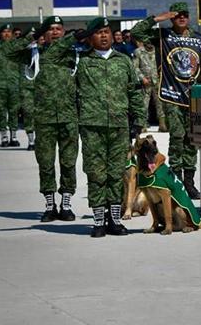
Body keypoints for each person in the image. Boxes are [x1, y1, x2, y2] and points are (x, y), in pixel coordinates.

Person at [131, 2, 201, 199]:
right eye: (177, 15)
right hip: (172, 95)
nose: (181, 18)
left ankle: (189, 182)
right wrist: (157, 19)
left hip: (194, 96)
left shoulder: (200, 39)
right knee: (177, 136)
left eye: (184, 15)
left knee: (191, 139)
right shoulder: (163, 36)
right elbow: (136, 32)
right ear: (172, 17)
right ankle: (175, 179)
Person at [3, 16, 81, 222]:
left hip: (69, 117)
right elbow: (6, 52)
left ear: (64, 31)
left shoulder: (74, 52)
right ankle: (49, 204)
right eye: (50, 29)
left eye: (58, 28)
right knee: (46, 163)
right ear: (44, 32)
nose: (55, 32)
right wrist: (32, 36)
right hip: (44, 118)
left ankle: (66, 203)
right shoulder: (34, 53)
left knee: (68, 162)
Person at [76, 17, 145, 237]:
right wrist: (73, 36)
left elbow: (134, 91)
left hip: (119, 125)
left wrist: (138, 121)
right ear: (90, 37)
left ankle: (114, 220)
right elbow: (54, 55)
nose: (104, 36)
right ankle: (98, 221)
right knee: (96, 174)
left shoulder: (123, 60)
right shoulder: (81, 62)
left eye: (107, 31)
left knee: (116, 173)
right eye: (98, 32)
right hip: (91, 125)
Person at [0, 24, 31, 147]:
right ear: (0, 34)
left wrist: (21, 84)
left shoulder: (17, 48)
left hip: (14, 84)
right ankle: (4, 137)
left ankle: (13, 136)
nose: (7, 34)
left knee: (14, 111)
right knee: (2, 111)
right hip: (0, 85)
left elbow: (21, 67)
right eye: (4, 32)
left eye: (9, 31)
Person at [133, 41, 167, 132]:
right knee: (143, 104)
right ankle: (143, 125)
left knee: (160, 103)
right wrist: (142, 78)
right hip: (145, 82)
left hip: (158, 81)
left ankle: (162, 124)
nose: (150, 43)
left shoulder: (160, 50)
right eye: (148, 41)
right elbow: (135, 67)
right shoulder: (138, 52)